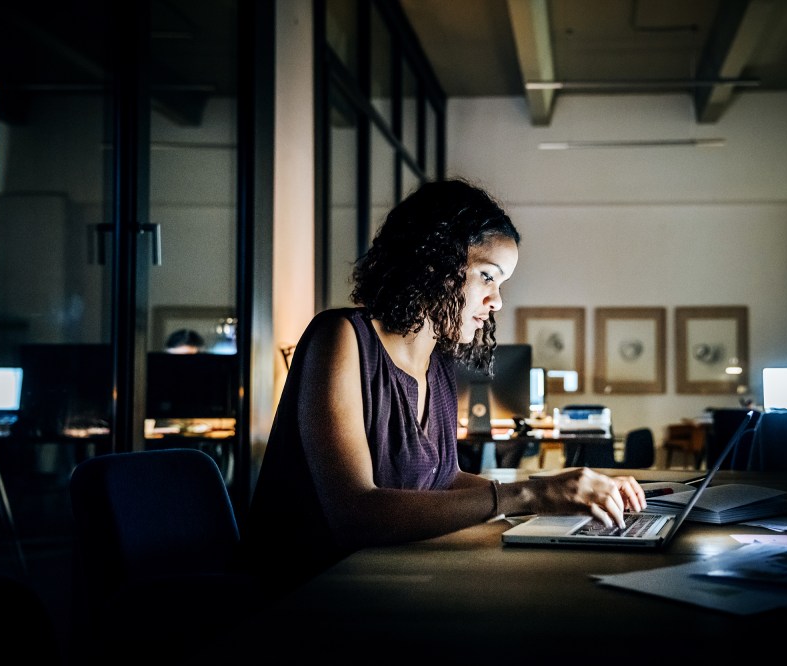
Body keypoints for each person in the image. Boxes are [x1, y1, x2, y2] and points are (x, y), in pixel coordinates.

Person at [238, 178, 647, 596]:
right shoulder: (340, 337)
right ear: (434, 263)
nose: (497, 301)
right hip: (305, 594)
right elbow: (354, 514)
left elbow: (444, 480)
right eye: (487, 276)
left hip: (385, 581)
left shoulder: (438, 365)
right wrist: (528, 494)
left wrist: (561, 492)